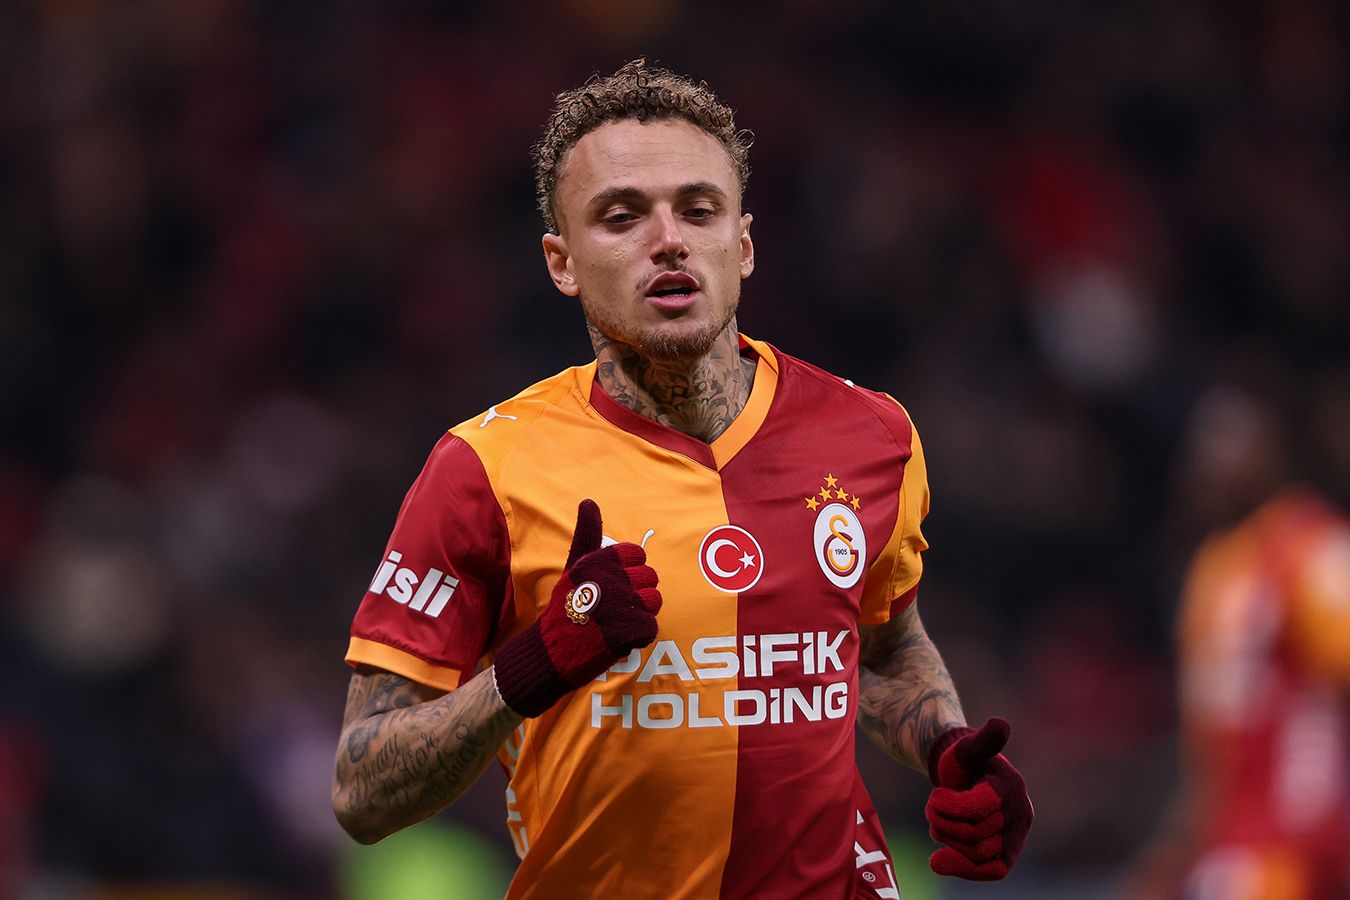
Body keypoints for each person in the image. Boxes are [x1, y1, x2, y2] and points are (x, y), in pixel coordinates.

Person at [331, 59, 1032, 898]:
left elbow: (882, 648)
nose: (668, 239)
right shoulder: (484, 469)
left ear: (742, 243)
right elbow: (361, 791)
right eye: (621, 216)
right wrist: (533, 666)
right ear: (561, 262)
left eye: (698, 210)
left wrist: (948, 748)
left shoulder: (873, 435)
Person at [1128, 385, 1350, 900]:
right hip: (1232, 841)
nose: (1208, 463)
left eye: (1227, 442)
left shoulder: (1308, 547)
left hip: (1299, 839)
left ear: (1274, 448)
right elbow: (1211, 740)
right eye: (1200, 447)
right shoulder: (1214, 567)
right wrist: (1176, 848)